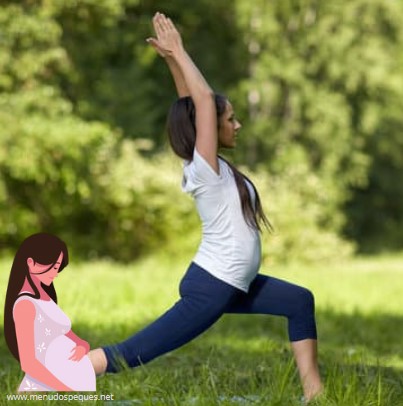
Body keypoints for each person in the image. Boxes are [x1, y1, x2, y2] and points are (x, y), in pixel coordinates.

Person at [89, 12, 322, 401]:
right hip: (212, 288)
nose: (237, 124)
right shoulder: (206, 169)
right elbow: (199, 101)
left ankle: (314, 391)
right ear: (212, 126)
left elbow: (191, 104)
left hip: (233, 284)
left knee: (299, 301)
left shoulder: (209, 167)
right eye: (230, 118)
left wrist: (171, 60)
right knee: (131, 354)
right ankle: (50, 377)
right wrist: (180, 50)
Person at [3, 233, 96, 391]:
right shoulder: (25, 305)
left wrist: (82, 346)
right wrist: (65, 388)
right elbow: (28, 363)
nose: (56, 273)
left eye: (58, 267)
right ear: (31, 263)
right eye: (53, 267)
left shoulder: (45, 298)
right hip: (46, 387)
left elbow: (68, 335)